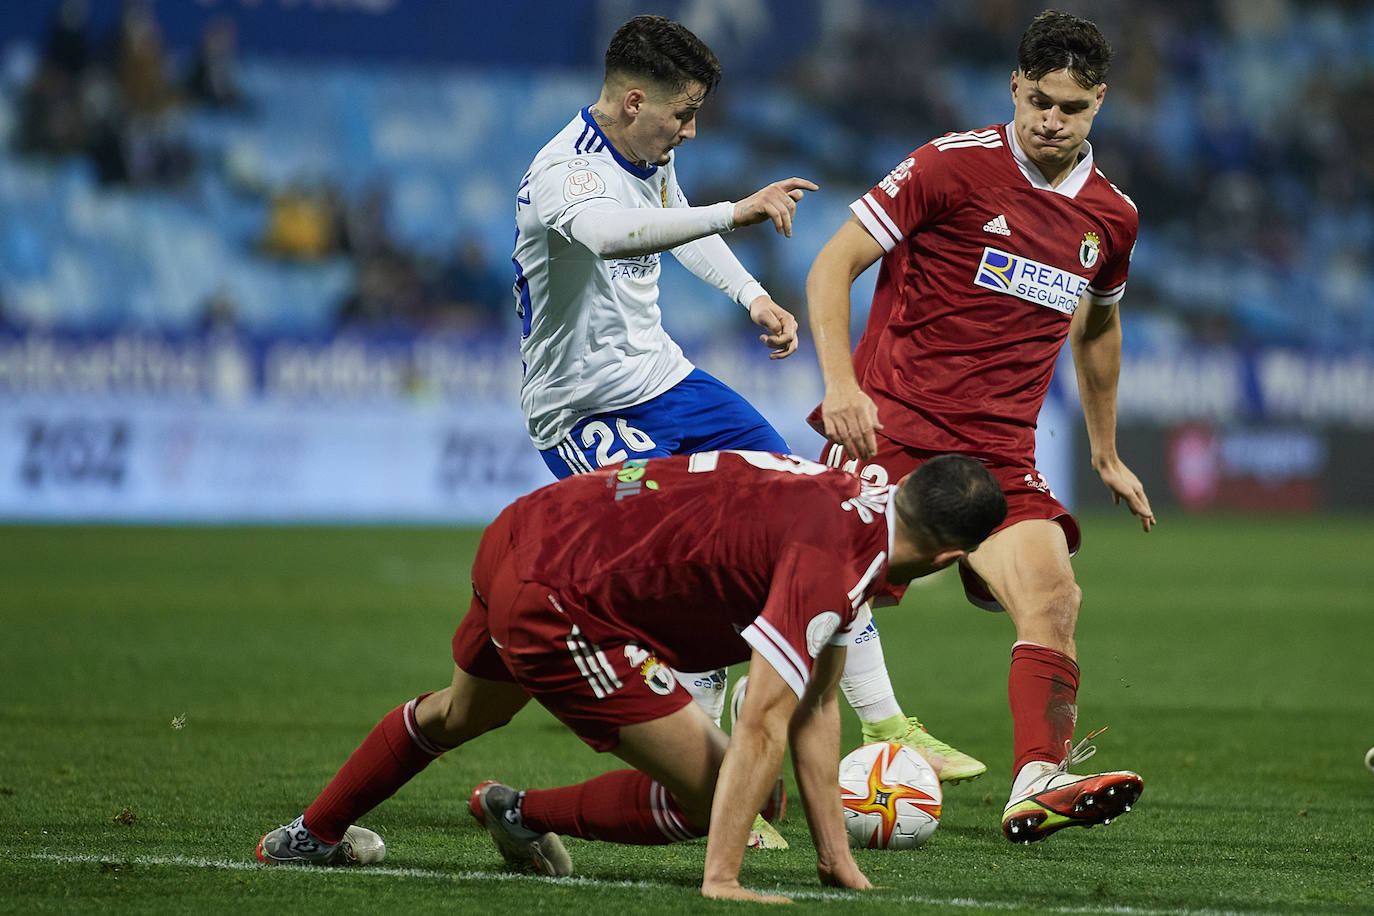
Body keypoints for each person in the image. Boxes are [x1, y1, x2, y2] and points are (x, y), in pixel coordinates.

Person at [512, 13, 986, 805]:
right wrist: (739, 210)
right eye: (683, 112)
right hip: (585, 411)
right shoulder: (567, 172)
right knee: (683, 574)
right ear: (634, 100)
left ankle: (888, 724)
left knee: (821, 511)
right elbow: (611, 235)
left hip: (670, 382)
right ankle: (714, 780)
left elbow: (672, 220)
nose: (692, 130)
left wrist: (754, 296)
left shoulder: (645, 153)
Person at [254, 450, 1008, 903]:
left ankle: (309, 835)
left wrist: (834, 858)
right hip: (563, 599)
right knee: (735, 792)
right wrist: (723, 873)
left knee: (461, 714)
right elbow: (766, 720)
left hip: (528, 525)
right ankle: (526, 812)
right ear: (948, 560)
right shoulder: (837, 563)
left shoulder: (854, 497)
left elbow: (817, 705)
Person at [805, 9, 1154, 843]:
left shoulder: (1112, 217)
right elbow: (833, 264)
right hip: (892, 429)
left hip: (999, 455)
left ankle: (1037, 779)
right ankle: (728, 765)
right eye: (1038, 99)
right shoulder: (949, 166)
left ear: (1099, 103)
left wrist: (1105, 450)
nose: (1050, 120)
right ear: (1014, 86)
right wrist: (841, 385)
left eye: (1071, 107)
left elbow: (1098, 329)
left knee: (1055, 596)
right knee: (811, 610)